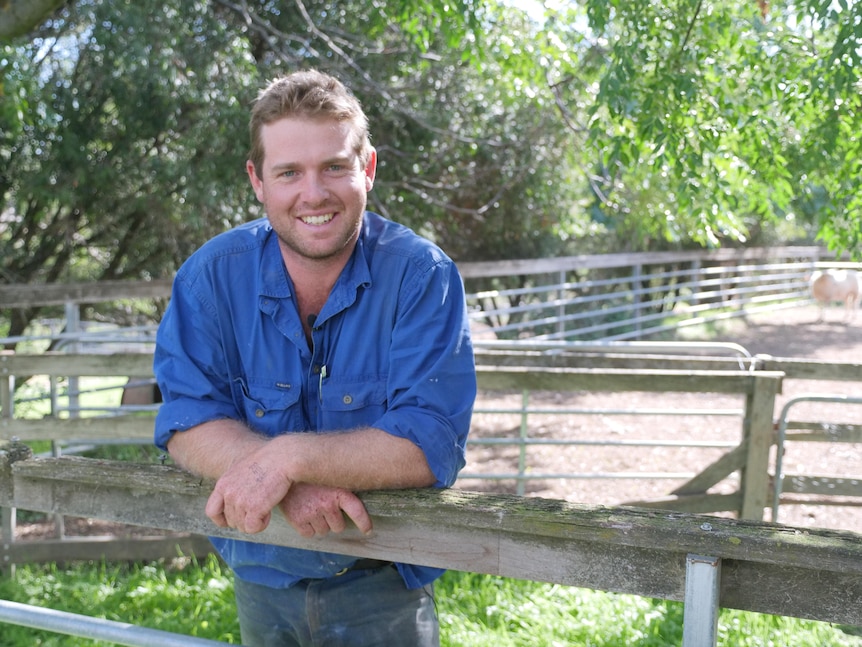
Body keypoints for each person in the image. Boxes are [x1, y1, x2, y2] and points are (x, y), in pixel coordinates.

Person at [152, 69, 476, 647]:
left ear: (368, 169)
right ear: (257, 181)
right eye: (288, 173)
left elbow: (430, 441)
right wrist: (284, 481)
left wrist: (288, 458)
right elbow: (186, 421)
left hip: (384, 576)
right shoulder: (208, 279)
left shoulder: (421, 276)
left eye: (334, 166)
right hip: (261, 572)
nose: (313, 193)